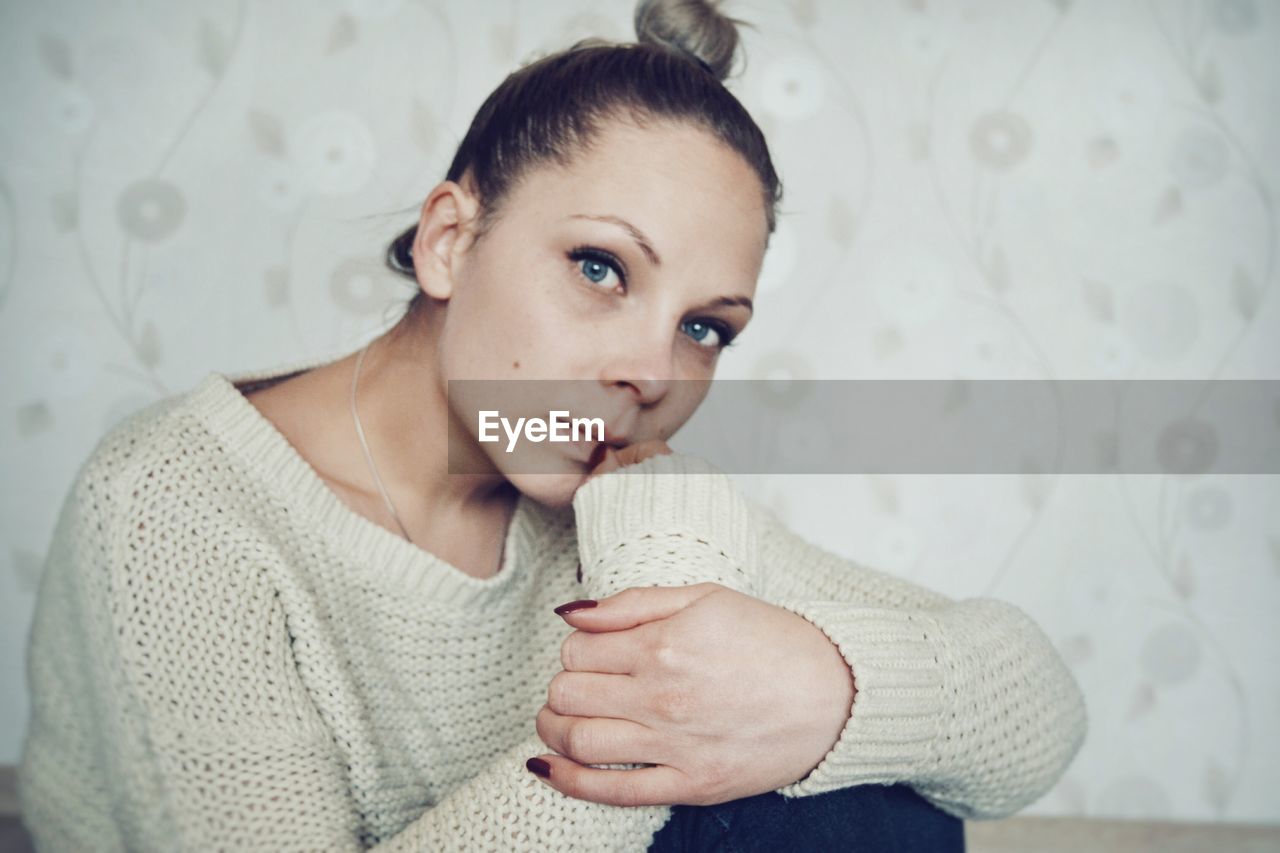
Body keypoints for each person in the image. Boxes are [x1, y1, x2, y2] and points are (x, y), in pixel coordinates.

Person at [17, 1, 1087, 850]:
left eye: (706, 329)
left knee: (872, 806)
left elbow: (1030, 705)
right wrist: (641, 746)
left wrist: (828, 688)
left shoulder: (628, 500)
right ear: (448, 239)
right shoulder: (177, 504)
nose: (650, 371)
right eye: (598, 268)